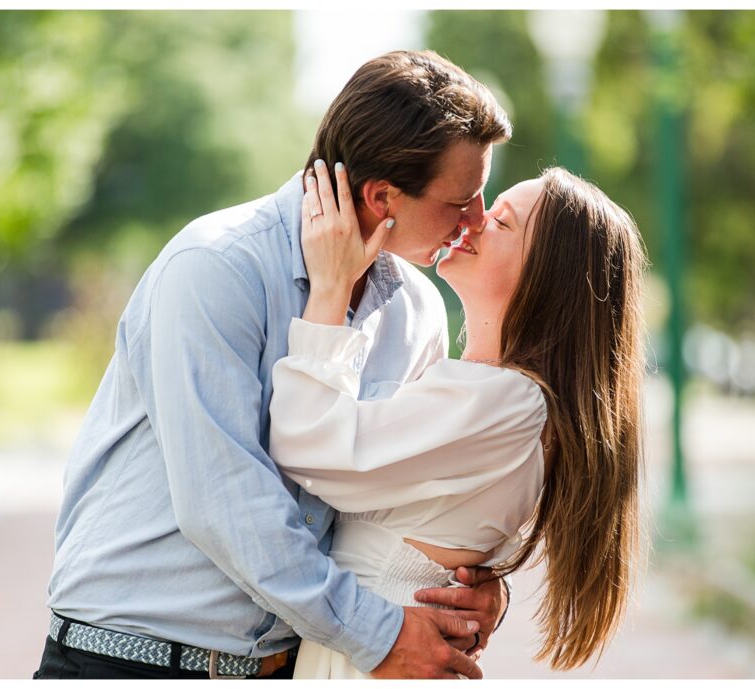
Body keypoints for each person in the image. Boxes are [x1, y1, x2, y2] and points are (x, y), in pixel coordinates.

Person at [35, 50, 513, 680]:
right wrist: (381, 633)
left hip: (292, 665)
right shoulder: (214, 270)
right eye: (463, 201)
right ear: (381, 197)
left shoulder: (416, 312)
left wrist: (473, 588)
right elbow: (226, 506)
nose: (477, 222)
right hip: (131, 659)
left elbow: (398, 510)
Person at [267, 161, 647, 678]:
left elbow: (308, 446)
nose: (474, 220)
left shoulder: (505, 401)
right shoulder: (500, 396)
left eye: (503, 222)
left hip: (380, 659)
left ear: (547, 277)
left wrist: (331, 289)